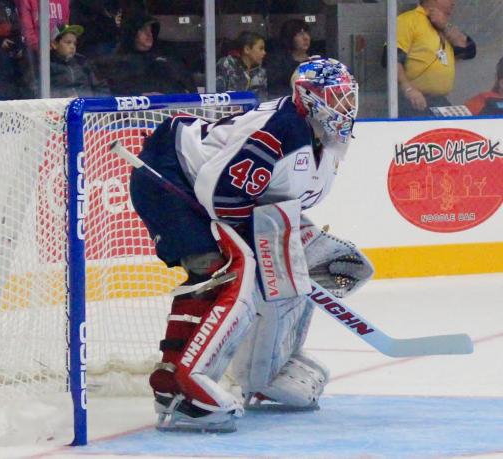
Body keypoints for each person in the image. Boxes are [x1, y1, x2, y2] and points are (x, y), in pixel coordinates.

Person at [128, 57, 373, 432]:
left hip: (207, 187)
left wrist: (297, 243)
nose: (345, 107)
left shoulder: (326, 142)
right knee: (220, 270)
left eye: (347, 97)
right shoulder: (281, 131)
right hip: (168, 174)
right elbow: (224, 199)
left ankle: (266, 371)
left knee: (289, 267)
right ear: (307, 98)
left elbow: (272, 202)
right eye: (335, 98)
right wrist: (268, 248)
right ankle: (177, 385)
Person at [393, 0, 476, 117]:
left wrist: (445, 25)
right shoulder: (407, 20)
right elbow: (392, 59)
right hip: (414, 100)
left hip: (439, 101)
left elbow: (469, 51)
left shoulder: (445, 26)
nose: (453, 3)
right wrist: (408, 89)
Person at [97, 12, 196, 95]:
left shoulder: (167, 60)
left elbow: (191, 91)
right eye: (143, 30)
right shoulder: (116, 63)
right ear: (131, 33)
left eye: (151, 29)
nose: (149, 34)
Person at [49, 24, 109, 98]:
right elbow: (38, 90)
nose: (72, 47)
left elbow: (100, 87)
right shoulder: (47, 65)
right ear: (54, 44)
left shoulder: (82, 62)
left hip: (87, 106)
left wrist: (93, 102)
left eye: (75, 43)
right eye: (68, 42)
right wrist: (63, 99)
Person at [265, 19, 312, 99]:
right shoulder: (277, 62)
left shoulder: (316, 58)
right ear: (289, 37)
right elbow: (275, 89)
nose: (306, 38)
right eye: (300, 34)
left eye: (307, 33)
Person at [215, 31, 268, 101]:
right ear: (247, 49)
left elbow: (262, 101)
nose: (264, 53)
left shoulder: (260, 72)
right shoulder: (227, 65)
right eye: (261, 49)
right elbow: (217, 98)